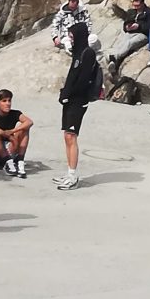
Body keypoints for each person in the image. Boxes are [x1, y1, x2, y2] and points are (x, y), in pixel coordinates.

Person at [57, 22, 103, 188]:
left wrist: (69, 95)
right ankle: (68, 171)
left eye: (72, 35)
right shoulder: (77, 52)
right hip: (70, 99)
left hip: (78, 100)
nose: (70, 39)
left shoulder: (87, 53)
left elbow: (83, 80)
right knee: (67, 136)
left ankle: (73, 175)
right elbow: (72, 76)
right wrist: (64, 93)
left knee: (71, 135)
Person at [0, 91, 32, 175]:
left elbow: (29, 122)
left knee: (25, 128)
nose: (7, 104)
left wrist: (12, 131)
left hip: (9, 148)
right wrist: (5, 134)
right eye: (4, 101)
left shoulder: (15, 113)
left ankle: (20, 160)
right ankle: (7, 161)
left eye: (9, 101)